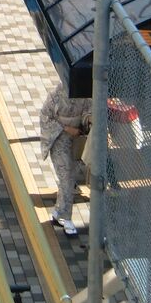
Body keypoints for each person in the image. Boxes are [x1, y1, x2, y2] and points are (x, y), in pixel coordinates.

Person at [40, 82, 90, 237]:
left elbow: (89, 113)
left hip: (77, 141)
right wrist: (67, 129)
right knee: (67, 177)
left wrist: (88, 121)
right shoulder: (56, 95)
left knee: (68, 177)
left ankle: (58, 211)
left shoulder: (87, 96)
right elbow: (45, 117)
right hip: (59, 139)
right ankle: (66, 218)